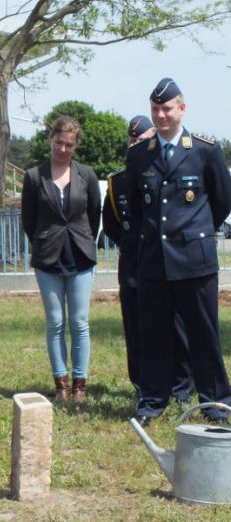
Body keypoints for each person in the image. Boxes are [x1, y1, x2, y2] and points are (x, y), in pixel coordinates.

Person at [127, 78, 231, 426]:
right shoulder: (139, 154)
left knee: (203, 334)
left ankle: (215, 402)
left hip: (194, 259)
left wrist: (193, 233)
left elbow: (220, 202)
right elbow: (137, 210)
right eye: (155, 109)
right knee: (154, 334)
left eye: (167, 108)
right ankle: (153, 401)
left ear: (181, 109)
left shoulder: (204, 150)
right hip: (155, 260)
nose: (160, 115)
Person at [102, 115, 194, 404]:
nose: (135, 144)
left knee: (176, 327)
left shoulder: (168, 171)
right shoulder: (117, 182)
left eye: (141, 140)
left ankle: (181, 386)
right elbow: (113, 226)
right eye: (132, 140)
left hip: (168, 262)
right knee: (137, 328)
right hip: (133, 266)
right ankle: (143, 385)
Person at [21, 116, 101, 403]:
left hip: (80, 255)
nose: (63, 149)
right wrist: (44, 241)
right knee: (55, 322)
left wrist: (83, 239)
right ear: (50, 139)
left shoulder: (87, 175)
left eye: (69, 144)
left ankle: (80, 385)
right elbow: (28, 220)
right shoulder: (33, 176)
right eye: (59, 142)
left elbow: (94, 212)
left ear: (76, 145)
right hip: (48, 258)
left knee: (79, 322)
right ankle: (61, 385)